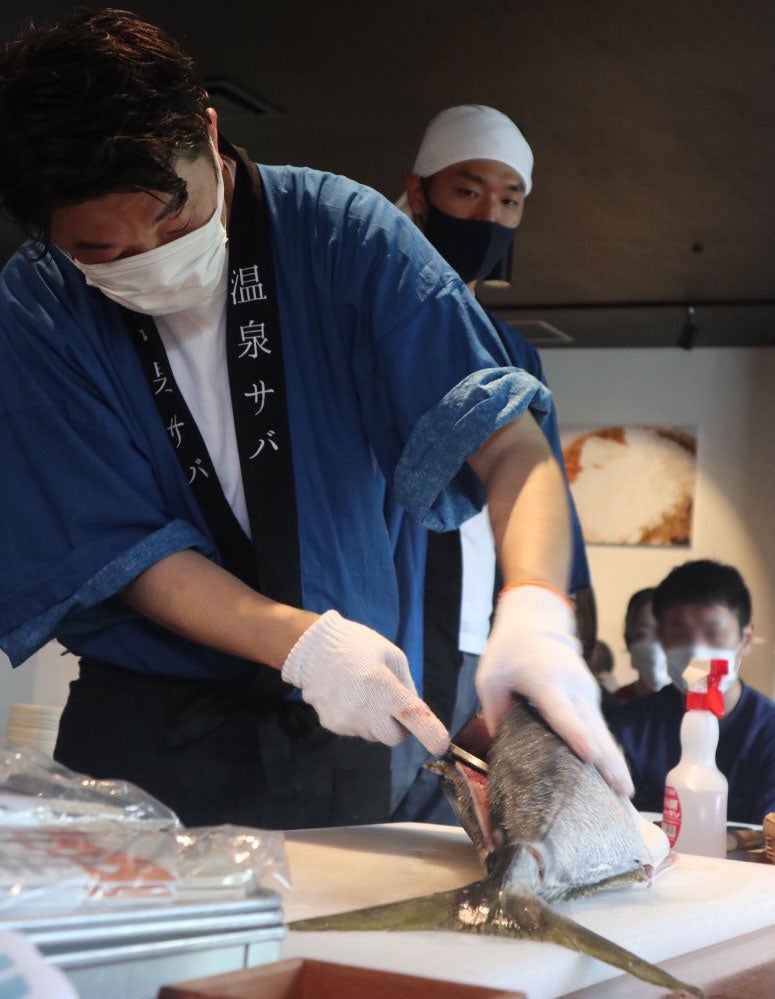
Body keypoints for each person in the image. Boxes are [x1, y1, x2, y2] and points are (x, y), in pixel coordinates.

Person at [0, 12, 630, 829]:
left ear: (209, 129)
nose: (149, 258)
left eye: (174, 218)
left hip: (335, 727)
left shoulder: (342, 235)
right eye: (102, 252)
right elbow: (115, 545)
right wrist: (300, 643)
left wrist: (539, 608)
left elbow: (508, 441)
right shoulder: (37, 304)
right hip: (143, 729)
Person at [388, 106, 592, 822]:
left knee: (461, 830)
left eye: (508, 199)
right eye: (466, 191)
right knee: (374, 815)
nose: (488, 214)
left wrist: (561, 614)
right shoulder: (374, 320)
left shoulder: (513, 349)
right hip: (393, 615)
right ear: (418, 193)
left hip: (486, 628)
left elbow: (546, 489)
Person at [610, 560, 775, 825]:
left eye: (712, 632)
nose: (697, 647)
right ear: (661, 638)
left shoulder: (767, 733)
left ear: (745, 639)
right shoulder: (630, 729)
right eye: (679, 632)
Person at [615, 587, 670, 704]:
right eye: (643, 634)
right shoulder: (614, 709)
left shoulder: (698, 714)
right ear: (629, 642)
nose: (656, 645)